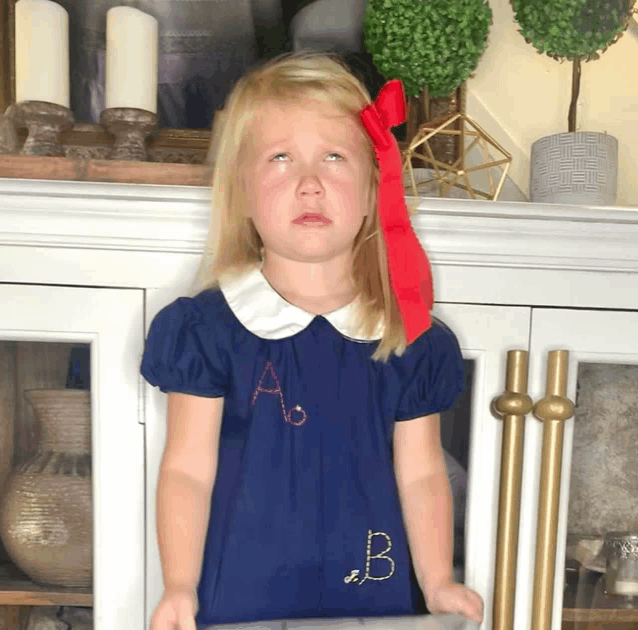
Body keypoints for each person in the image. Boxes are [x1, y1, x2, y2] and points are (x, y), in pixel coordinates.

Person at [140, 51, 484, 630]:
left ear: (374, 184)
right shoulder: (207, 333)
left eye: (334, 157)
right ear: (243, 191)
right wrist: (178, 585)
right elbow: (187, 469)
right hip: (241, 604)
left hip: (373, 605)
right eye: (280, 158)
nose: (309, 184)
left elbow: (422, 473)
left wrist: (438, 581)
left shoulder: (407, 341)